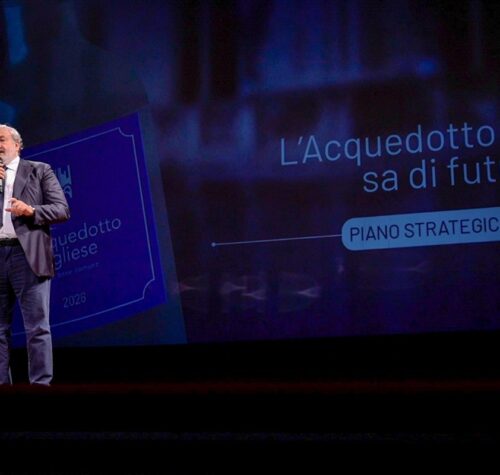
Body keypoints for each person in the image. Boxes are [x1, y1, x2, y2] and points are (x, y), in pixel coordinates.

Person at [0, 124, 70, 385]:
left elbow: (61, 209)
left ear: (18, 145)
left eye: (1, 140)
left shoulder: (38, 170)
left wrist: (31, 211)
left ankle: (40, 386)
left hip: (26, 255)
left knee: (37, 327)